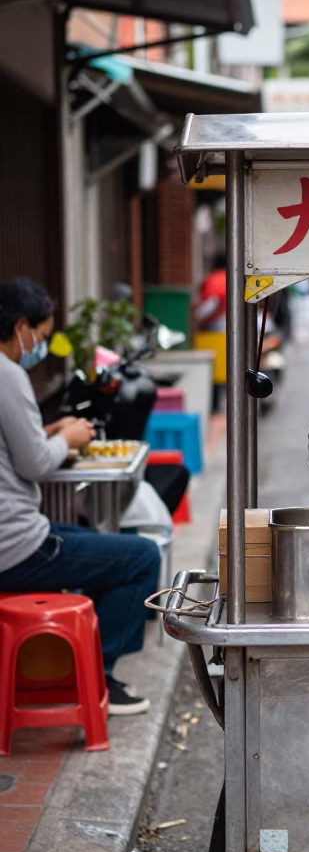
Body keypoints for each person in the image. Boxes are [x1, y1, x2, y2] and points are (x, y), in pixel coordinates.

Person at [0, 279, 160, 715]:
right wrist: (68, 437)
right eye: (42, 336)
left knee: (88, 540)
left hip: (15, 538)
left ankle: (65, 661)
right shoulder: (7, 373)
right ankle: (95, 677)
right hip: (14, 548)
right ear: (20, 327)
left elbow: (16, 447)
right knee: (141, 556)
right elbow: (35, 465)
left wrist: (48, 433)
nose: (41, 346)